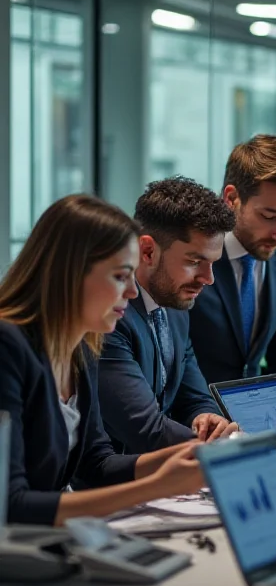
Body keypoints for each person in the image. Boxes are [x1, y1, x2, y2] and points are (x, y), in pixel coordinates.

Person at [1, 195, 205, 526]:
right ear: (69, 272)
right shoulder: (7, 346)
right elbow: (10, 505)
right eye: (120, 276)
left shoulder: (81, 348)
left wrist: (182, 456)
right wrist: (155, 486)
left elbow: (96, 465)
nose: (133, 292)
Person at [98, 178, 237, 453]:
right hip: (112, 482)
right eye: (194, 262)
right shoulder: (108, 317)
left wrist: (208, 420)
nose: (207, 279)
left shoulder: (176, 306)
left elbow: (195, 397)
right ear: (147, 251)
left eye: (212, 264)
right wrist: (228, 449)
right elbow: (144, 429)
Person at [189, 134, 276, 388]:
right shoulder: (190, 252)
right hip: (194, 418)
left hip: (259, 417)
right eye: (269, 216)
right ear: (231, 198)